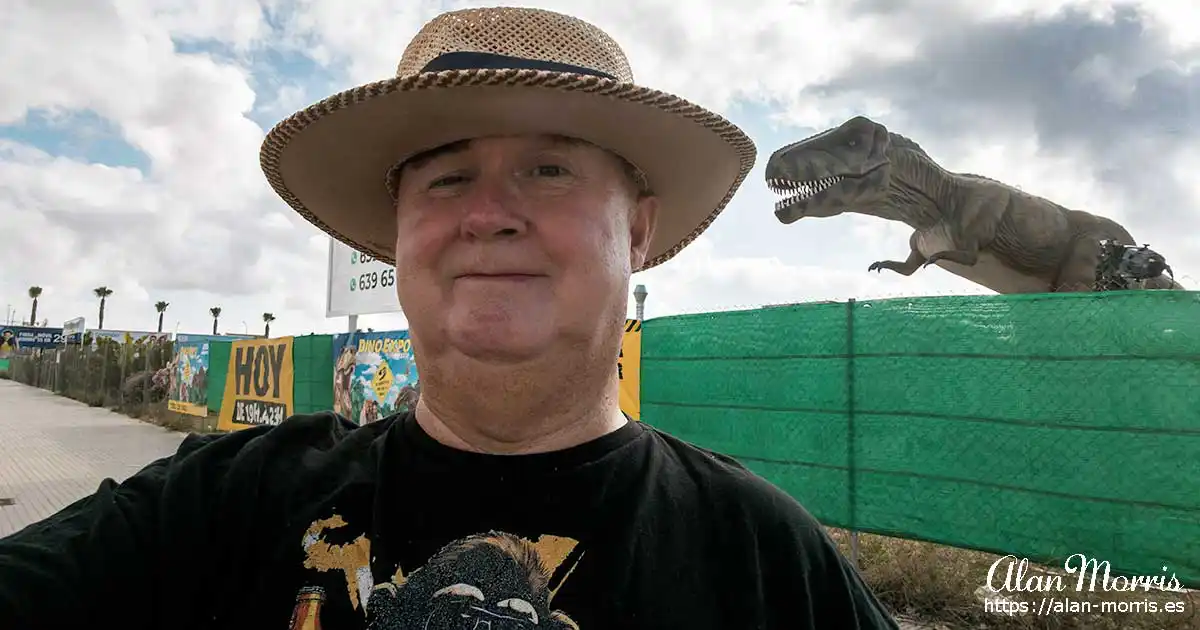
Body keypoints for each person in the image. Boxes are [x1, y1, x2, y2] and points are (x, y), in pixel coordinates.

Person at [0, 7, 900, 629]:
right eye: (446, 176)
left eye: (549, 169)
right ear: (397, 236)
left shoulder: (763, 555)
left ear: (637, 229)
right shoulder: (219, 505)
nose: (488, 213)